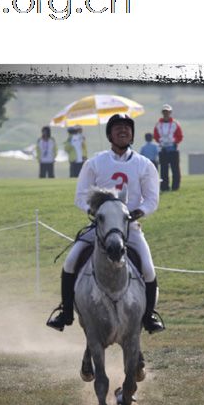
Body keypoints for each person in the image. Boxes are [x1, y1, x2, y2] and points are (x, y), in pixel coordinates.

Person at [46, 114, 165, 335]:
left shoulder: (144, 164)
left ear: (132, 134)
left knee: (148, 269)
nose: (123, 131)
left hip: (129, 228)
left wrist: (138, 212)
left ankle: (149, 317)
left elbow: (152, 199)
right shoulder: (95, 163)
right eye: (118, 128)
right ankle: (66, 311)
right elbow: (80, 196)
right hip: (101, 228)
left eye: (127, 128)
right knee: (70, 262)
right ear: (109, 134)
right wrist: (95, 212)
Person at [153, 104, 183, 191]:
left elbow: (180, 136)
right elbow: (155, 135)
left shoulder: (175, 124)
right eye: (164, 112)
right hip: (163, 149)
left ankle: (175, 187)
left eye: (167, 112)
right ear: (162, 113)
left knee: (175, 169)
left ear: (170, 112)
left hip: (173, 148)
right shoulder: (158, 124)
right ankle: (164, 187)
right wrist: (160, 141)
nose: (166, 114)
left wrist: (174, 141)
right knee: (163, 170)